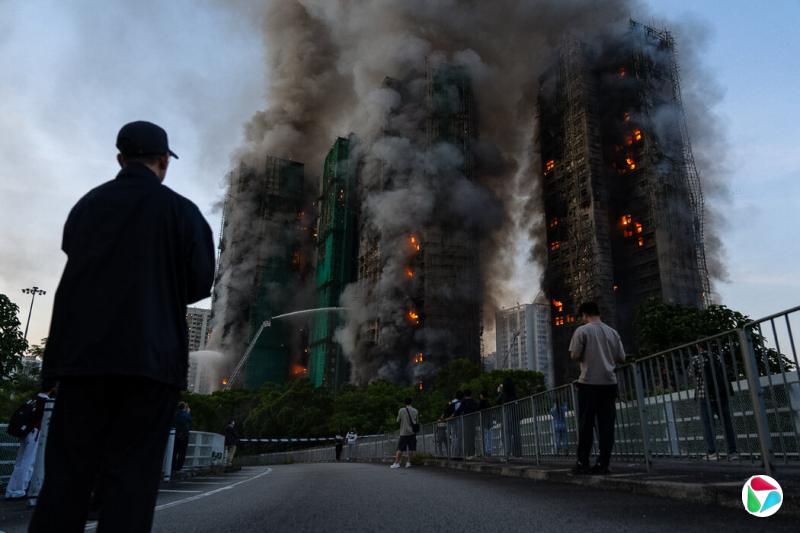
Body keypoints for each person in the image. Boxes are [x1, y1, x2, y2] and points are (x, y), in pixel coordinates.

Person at [30, 121, 215, 533]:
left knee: (66, 480)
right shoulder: (182, 212)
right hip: (149, 366)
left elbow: (75, 263)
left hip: (81, 364)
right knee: (131, 483)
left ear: (120, 158)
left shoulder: (88, 205)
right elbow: (200, 282)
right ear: (164, 161)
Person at [569, 302, 626, 475]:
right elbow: (621, 357)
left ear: (585, 314)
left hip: (588, 383)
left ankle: (583, 462)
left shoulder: (582, 331)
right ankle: (604, 463)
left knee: (586, 424)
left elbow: (575, 354)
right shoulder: (612, 332)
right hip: (609, 383)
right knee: (606, 425)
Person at [690, 342, 739, 461]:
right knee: (726, 423)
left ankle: (712, 452)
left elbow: (691, 374)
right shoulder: (717, 357)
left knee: (708, 424)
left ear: (698, 347)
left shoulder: (696, 359)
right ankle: (733, 452)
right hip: (721, 394)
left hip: (705, 395)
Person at [5, 388, 52, 500]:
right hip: (35, 433)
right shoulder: (46, 402)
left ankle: (11, 490)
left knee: (19, 462)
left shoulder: (32, 400)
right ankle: (20, 490)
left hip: (25, 433)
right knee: (28, 462)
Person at [391, 398, 419, 469]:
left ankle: (396, 463)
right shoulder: (415, 410)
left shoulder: (401, 410)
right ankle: (408, 463)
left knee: (400, 449)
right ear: (411, 402)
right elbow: (416, 421)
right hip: (412, 432)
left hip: (404, 432)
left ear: (405, 403)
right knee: (411, 449)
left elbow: (398, 420)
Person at [497, 377, 521, 456]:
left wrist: (500, 391)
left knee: (506, 433)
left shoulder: (504, 393)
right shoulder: (514, 394)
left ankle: (508, 452)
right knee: (516, 433)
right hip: (515, 414)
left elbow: (497, 400)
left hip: (507, 413)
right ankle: (518, 452)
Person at [172, 402, 192, 472]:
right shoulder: (185, 415)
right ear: (184, 407)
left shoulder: (175, 414)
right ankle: (179, 467)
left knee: (174, 451)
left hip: (175, 435)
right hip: (184, 435)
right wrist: (188, 412)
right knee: (182, 452)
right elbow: (189, 420)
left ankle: (172, 466)